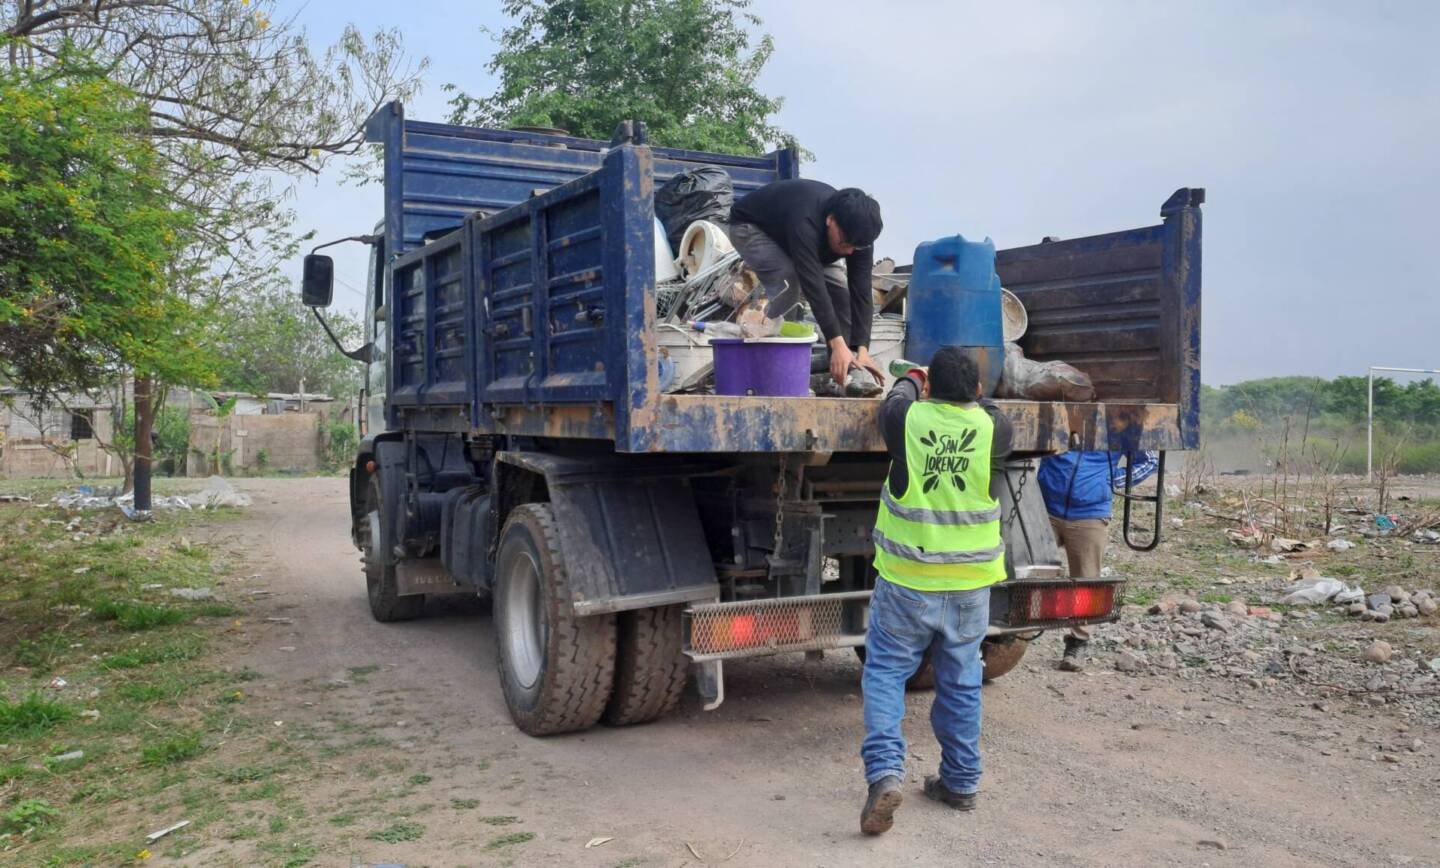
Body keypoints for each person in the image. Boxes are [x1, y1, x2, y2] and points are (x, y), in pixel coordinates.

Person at [860, 348, 1012, 835]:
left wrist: (913, 376)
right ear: (977, 391)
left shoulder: (907, 419)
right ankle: (961, 783)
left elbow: (894, 398)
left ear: (928, 389)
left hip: (908, 581)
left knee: (885, 674)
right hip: (969, 585)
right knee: (962, 679)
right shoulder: (993, 430)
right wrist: (974, 399)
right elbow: (993, 412)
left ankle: (885, 775)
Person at [729, 179, 884, 393]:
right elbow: (814, 287)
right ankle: (778, 373)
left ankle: (845, 376)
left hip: (797, 240)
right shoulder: (806, 219)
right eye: (844, 244)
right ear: (831, 220)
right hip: (751, 228)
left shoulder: (858, 233)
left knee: (841, 291)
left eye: (854, 247)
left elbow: (862, 291)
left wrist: (862, 348)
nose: (849, 252)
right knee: (788, 283)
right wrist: (836, 342)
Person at [1037, 450, 1159, 671]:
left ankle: (1078, 642)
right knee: (1029, 572)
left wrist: (1111, 480)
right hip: (1044, 507)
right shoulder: (1059, 417)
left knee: (1086, 582)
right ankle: (1014, 637)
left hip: (1090, 513)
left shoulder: (1117, 422)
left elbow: (1150, 460)